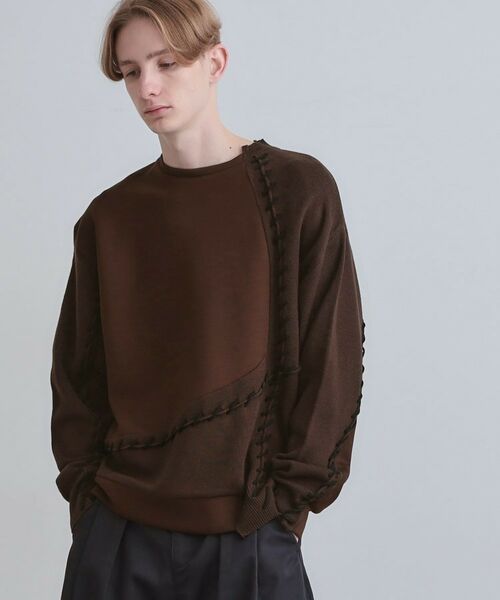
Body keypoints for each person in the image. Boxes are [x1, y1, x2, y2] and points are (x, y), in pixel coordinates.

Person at [50, 1, 366, 598]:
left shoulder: (298, 190)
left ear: (215, 62)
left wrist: (283, 510)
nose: (148, 86)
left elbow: (332, 360)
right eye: (131, 71)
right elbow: (77, 376)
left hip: (250, 535)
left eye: (166, 63)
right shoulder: (108, 218)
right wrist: (89, 502)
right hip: (119, 535)